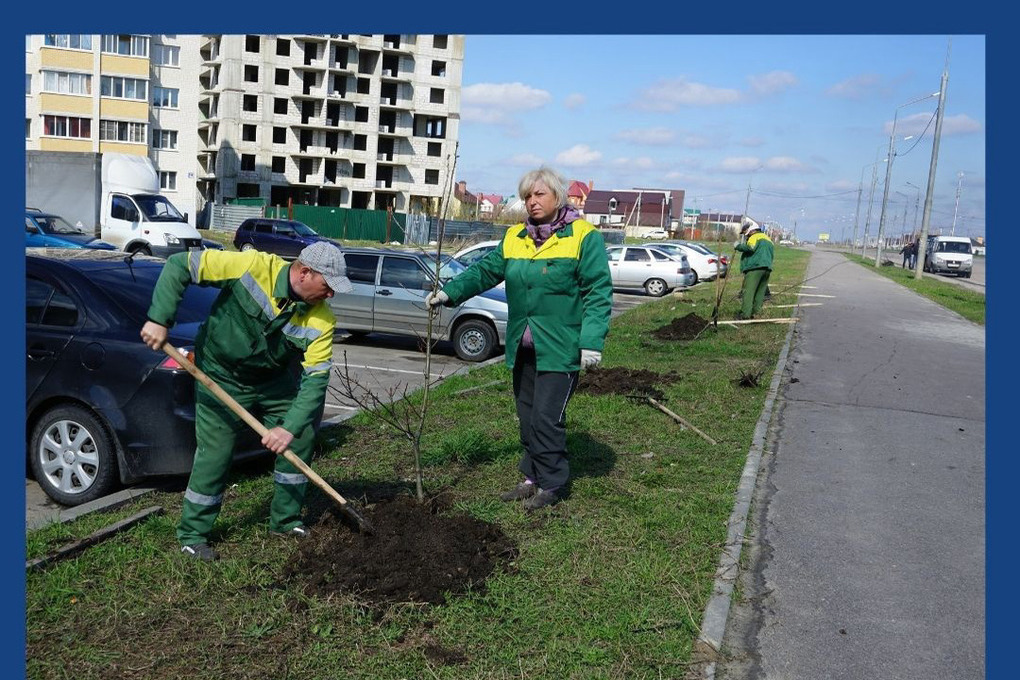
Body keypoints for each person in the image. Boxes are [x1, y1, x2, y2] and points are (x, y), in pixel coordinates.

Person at [140, 241, 353, 561]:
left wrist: (289, 428)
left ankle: (285, 521)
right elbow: (179, 265)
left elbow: (315, 381)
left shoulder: (321, 320)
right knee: (216, 453)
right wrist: (160, 318)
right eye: (328, 286)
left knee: (300, 437)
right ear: (305, 273)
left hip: (274, 383)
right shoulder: (251, 267)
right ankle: (192, 535)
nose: (331, 295)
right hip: (220, 375)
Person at [426, 167, 613, 512]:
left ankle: (554, 483)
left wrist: (591, 341)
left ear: (558, 197)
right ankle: (532, 477)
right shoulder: (515, 237)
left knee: (546, 417)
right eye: (527, 195)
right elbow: (484, 271)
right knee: (527, 416)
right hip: (523, 346)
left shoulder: (583, 237)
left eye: (539, 194)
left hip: (560, 347)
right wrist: (448, 294)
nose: (532, 201)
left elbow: (598, 292)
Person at [733, 221, 775, 320]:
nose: (745, 236)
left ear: (751, 230)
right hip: (767, 269)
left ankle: (745, 314)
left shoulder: (754, 237)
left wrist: (738, 246)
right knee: (760, 292)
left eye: (745, 233)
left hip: (754, 268)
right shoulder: (768, 239)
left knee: (748, 292)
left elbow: (750, 248)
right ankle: (756, 313)